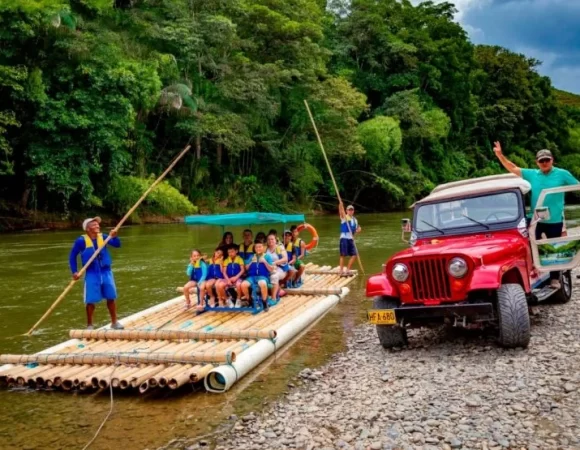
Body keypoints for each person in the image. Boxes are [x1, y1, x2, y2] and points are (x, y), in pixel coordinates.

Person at [493, 142, 579, 288]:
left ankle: (555, 279)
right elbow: (513, 168)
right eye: (541, 161)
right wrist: (500, 155)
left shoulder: (562, 173)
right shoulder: (532, 174)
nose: (544, 163)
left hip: (555, 219)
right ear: (537, 162)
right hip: (536, 218)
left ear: (552, 160)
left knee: (554, 248)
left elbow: (576, 186)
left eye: (547, 160)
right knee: (529, 244)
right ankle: (532, 272)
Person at [69, 217, 124, 330]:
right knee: (90, 300)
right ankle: (90, 325)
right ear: (87, 228)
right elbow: (72, 256)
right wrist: (75, 271)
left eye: (97, 224)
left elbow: (117, 245)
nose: (97, 226)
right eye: (94, 224)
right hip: (91, 273)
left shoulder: (103, 237)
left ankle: (114, 322)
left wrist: (114, 236)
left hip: (106, 271)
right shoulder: (81, 241)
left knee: (111, 297)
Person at [242, 240, 275, 311]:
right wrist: (251, 262)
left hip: (262, 276)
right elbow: (246, 268)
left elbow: (271, 269)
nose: (258, 249)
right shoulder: (251, 256)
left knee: (262, 283)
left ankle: (265, 302)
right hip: (252, 277)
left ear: (263, 248)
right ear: (254, 248)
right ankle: (249, 300)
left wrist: (264, 261)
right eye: (256, 247)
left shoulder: (267, 256)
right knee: (243, 285)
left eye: (260, 247)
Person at [339, 203, 361, 276]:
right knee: (343, 255)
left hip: (351, 239)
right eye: (349, 210)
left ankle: (347, 270)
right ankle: (341, 271)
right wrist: (340, 205)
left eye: (352, 210)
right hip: (344, 238)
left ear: (353, 211)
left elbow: (356, 230)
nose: (351, 211)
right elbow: (341, 212)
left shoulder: (355, 220)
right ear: (347, 211)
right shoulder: (344, 217)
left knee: (354, 255)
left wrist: (358, 231)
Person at [265, 233, 288, 300]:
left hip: (280, 269)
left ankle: (273, 298)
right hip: (269, 269)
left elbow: (285, 259)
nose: (270, 241)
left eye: (272, 239)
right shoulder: (265, 249)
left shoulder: (280, 248)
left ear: (275, 240)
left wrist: (274, 263)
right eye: (268, 239)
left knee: (274, 276)